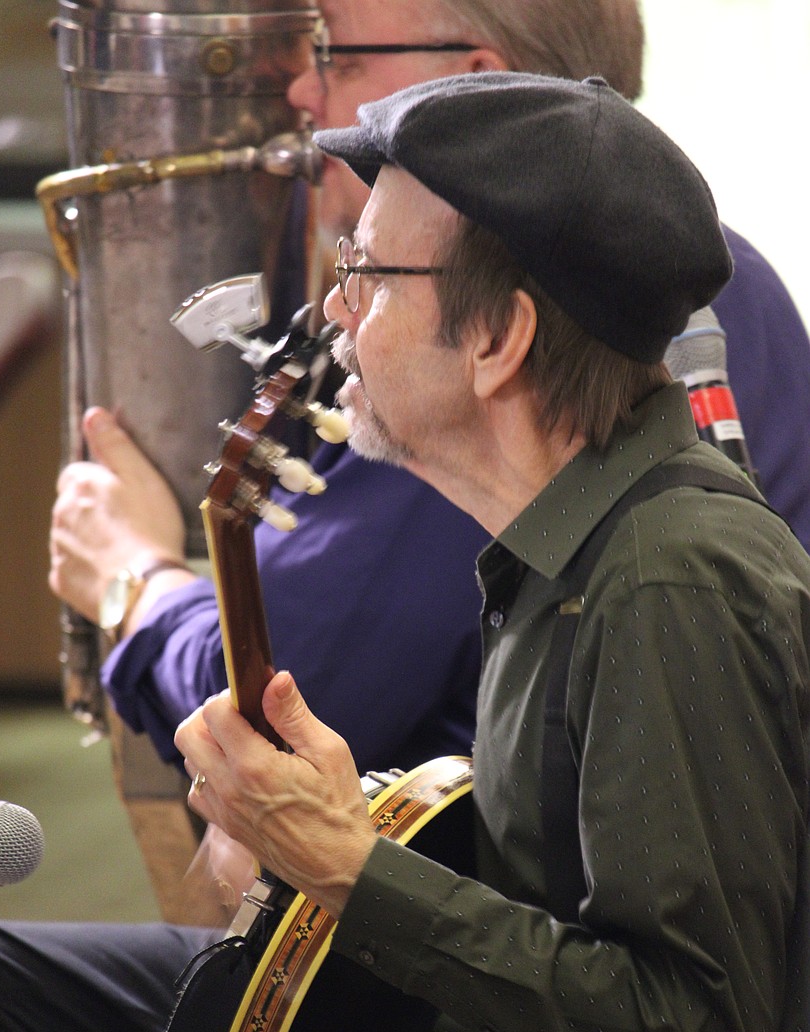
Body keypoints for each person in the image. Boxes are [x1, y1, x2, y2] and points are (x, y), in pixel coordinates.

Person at [0, 72, 808, 1032]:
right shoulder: (572, 537)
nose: (334, 311)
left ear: (501, 338)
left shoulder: (668, 580)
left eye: (365, 273)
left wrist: (348, 868)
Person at [50, 0, 810, 804]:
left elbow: (285, 709)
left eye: (335, 55)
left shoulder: (473, 333)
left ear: (476, 79)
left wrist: (132, 576)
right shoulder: (726, 270)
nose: (302, 92)